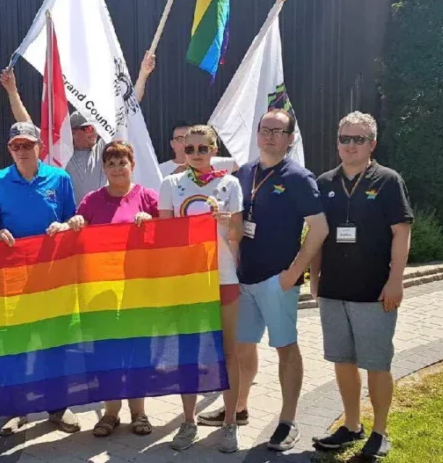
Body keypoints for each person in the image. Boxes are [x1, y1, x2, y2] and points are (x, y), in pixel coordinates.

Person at [311, 112, 412, 460]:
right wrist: (314, 276)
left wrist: (395, 279)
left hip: (374, 291)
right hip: (334, 290)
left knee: (377, 363)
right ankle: (351, 426)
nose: (350, 146)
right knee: (342, 360)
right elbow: (317, 234)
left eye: (358, 139)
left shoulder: (387, 180)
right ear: (337, 141)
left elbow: (402, 232)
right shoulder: (324, 181)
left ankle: (380, 431)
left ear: (372, 144)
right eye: (344, 139)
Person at [234, 109, 329, 452]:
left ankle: (288, 421)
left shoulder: (299, 177)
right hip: (245, 280)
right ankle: (238, 408)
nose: (271, 135)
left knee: (285, 349)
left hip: (278, 280)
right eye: (265, 129)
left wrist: (293, 272)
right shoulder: (244, 173)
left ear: (290, 139)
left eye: (279, 131)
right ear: (257, 133)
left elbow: (319, 229)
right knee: (242, 347)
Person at [0, 121, 80, 435]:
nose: (22, 151)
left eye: (28, 145)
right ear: (9, 149)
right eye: (16, 146)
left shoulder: (60, 178)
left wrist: (65, 227)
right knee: (17, 343)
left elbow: (72, 220)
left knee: (56, 343)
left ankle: (58, 407)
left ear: (39, 146)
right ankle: (18, 408)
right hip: (13, 275)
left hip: (53, 274)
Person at [157, 125, 245, 453]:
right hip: (187, 279)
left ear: (213, 149)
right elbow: (164, 237)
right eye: (190, 148)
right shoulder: (170, 184)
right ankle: (188, 420)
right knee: (189, 352)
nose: (196, 154)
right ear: (181, 149)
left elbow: (238, 234)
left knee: (228, 350)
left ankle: (230, 423)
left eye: (202, 148)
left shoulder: (230, 183)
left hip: (223, 276)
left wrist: (227, 223)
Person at [63, 140, 159, 438]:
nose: (117, 168)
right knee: (107, 352)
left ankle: (139, 412)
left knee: (137, 350)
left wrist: (152, 222)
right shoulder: (92, 200)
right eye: (111, 163)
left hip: (138, 289)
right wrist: (74, 222)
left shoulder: (148, 198)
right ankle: (111, 412)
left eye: (123, 162)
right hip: (102, 291)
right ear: (104, 168)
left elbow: (170, 233)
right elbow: (74, 233)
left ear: (133, 165)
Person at [0, 51, 156, 205]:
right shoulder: (60, 149)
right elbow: (27, 125)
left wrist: (143, 74)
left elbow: (128, 110)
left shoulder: (103, 148)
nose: (94, 132)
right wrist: (12, 91)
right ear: (73, 132)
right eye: (88, 128)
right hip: (72, 220)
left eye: (96, 127)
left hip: (100, 217)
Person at [159, 122, 238, 177]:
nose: (184, 143)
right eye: (180, 139)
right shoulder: (160, 170)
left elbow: (243, 162)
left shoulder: (214, 163)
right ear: (172, 143)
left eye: (188, 138)